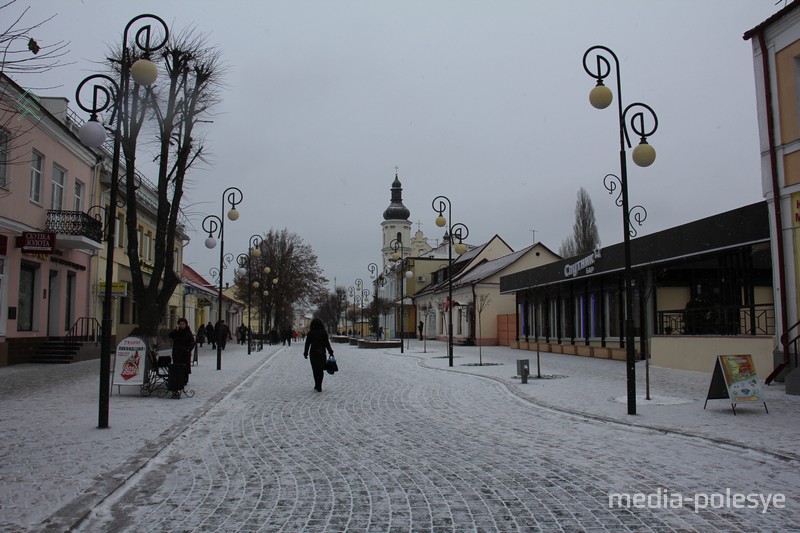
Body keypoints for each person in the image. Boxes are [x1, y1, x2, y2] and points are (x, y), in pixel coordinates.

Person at [303, 317, 334, 392]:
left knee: (315, 369)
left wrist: (305, 353)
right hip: (321, 353)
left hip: (313, 353)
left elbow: (307, 344)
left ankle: (316, 384)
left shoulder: (310, 333)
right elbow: (327, 343)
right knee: (321, 370)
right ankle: (319, 385)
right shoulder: (323, 333)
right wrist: (330, 351)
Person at [168, 318, 195, 398]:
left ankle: (184, 379)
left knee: (185, 366)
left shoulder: (188, 332)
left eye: (183, 324)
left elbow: (192, 342)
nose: (181, 325)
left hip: (185, 353)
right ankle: (178, 379)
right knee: (177, 366)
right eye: (180, 324)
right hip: (177, 352)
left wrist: (188, 349)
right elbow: (170, 335)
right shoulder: (177, 332)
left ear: (186, 324)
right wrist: (175, 330)